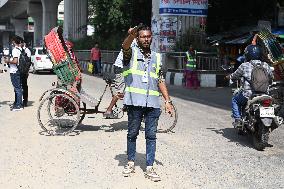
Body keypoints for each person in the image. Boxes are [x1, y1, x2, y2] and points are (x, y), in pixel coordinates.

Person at [120, 25, 173, 182]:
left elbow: (160, 79)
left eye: (148, 36)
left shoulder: (157, 57)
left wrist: (167, 101)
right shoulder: (131, 53)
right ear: (138, 38)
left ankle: (149, 167)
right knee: (132, 134)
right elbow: (125, 46)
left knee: (151, 136)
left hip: (152, 104)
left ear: (151, 38)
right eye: (142, 36)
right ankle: (130, 162)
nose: (146, 39)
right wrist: (130, 35)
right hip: (135, 102)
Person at [227, 44, 273, 128]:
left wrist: (230, 77)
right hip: (265, 94)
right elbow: (271, 78)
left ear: (247, 54)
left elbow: (235, 76)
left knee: (235, 100)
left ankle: (237, 119)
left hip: (249, 95)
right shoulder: (266, 65)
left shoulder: (244, 65)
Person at [103, 40, 137, 118]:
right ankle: (109, 110)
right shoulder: (133, 42)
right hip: (121, 68)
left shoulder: (136, 42)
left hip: (126, 67)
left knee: (132, 87)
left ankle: (126, 105)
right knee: (120, 92)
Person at [4, 36, 23, 111]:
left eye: (12, 41)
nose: (11, 42)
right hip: (18, 70)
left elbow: (15, 61)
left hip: (14, 71)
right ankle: (17, 103)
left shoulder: (15, 50)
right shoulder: (20, 49)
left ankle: (19, 105)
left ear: (14, 42)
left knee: (17, 89)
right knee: (17, 88)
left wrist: (8, 61)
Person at [20, 39, 31, 107]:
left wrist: (26, 71)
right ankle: (20, 100)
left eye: (21, 43)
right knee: (20, 86)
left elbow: (28, 62)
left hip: (24, 71)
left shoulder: (27, 50)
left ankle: (25, 101)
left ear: (23, 43)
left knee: (24, 86)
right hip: (20, 70)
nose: (20, 44)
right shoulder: (19, 50)